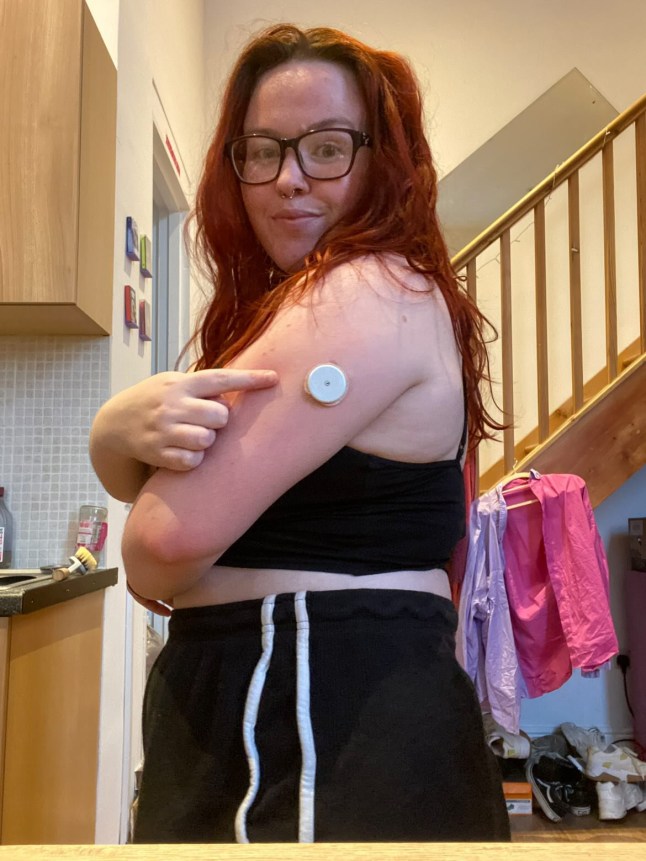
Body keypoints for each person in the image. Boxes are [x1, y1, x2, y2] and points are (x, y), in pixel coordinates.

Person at [90, 23, 509, 843]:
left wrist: (114, 450)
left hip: (315, 713)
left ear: (383, 158)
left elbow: (160, 545)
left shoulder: (365, 291)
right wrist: (117, 435)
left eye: (326, 148)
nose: (288, 179)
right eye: (262, 150)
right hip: (296, 708)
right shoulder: (333, 298)